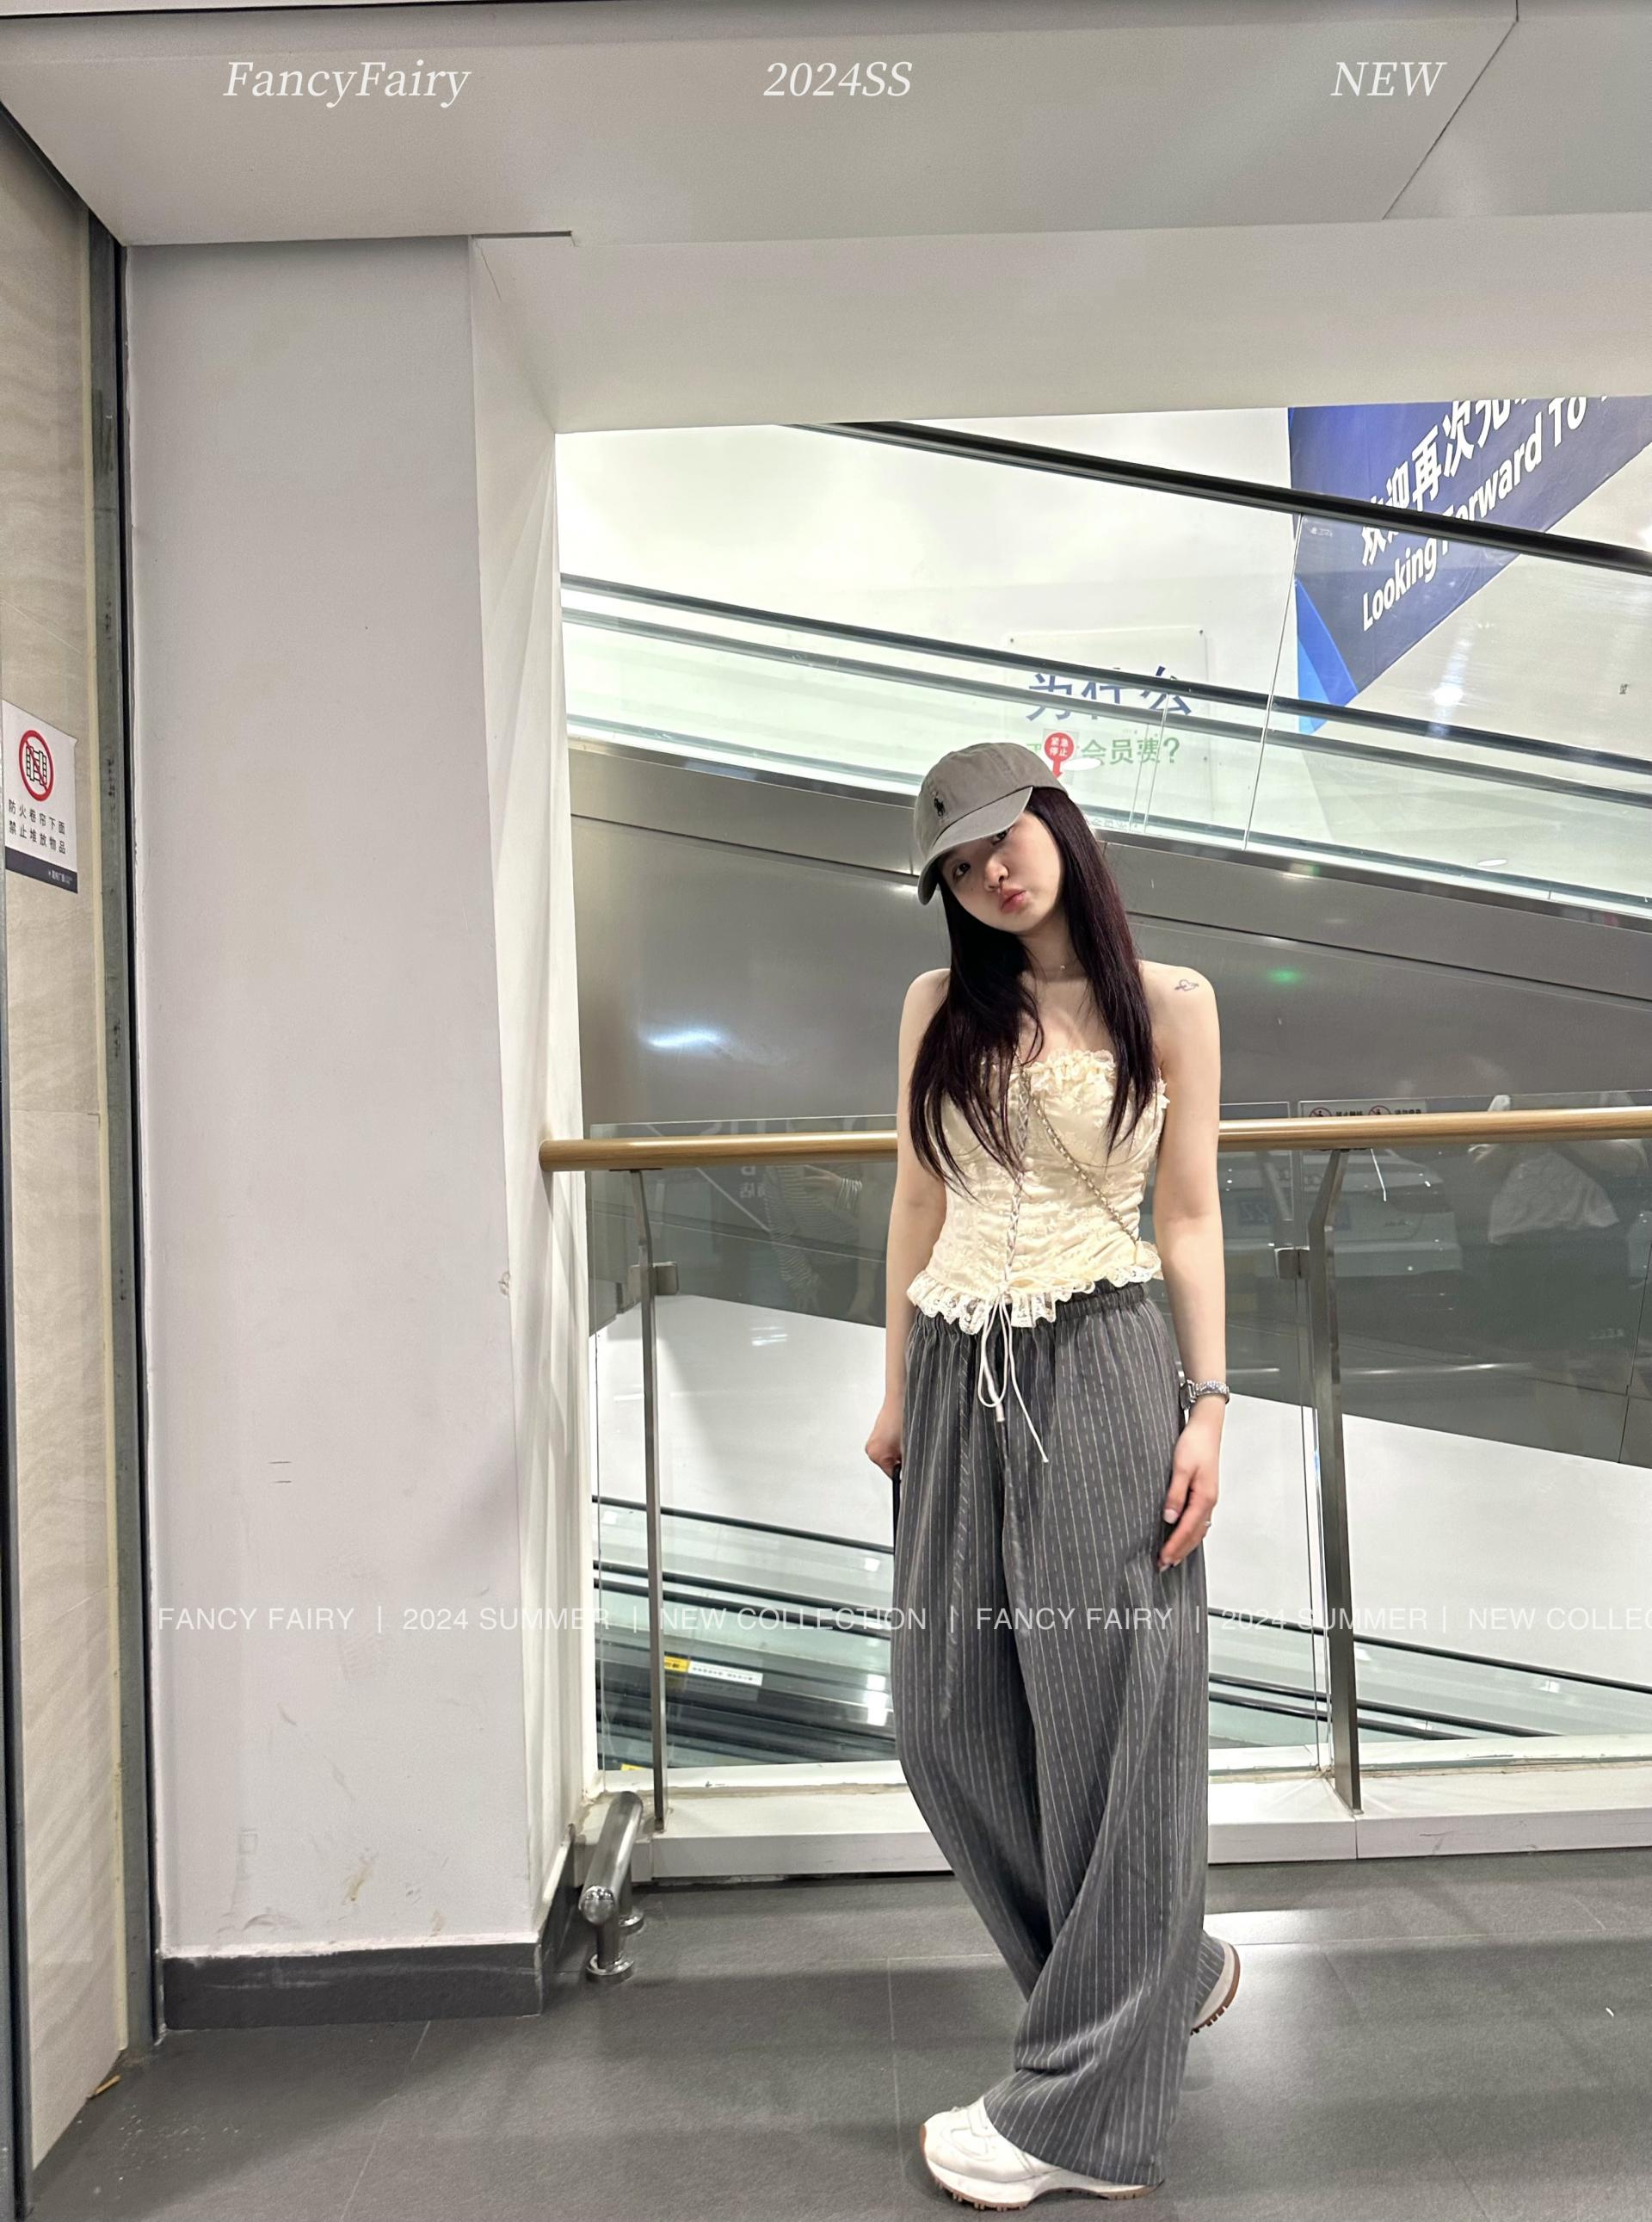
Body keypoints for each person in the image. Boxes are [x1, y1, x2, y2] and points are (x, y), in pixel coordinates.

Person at [865, 739, 1236, 2207]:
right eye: (960, 866)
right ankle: (1158, 1971)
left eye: (1003, 839)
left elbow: (1189, 1213)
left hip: (1101, 1362)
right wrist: (894, 1385)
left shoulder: (1172, 1003)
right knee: (942, 1720)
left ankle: (1083, 2115)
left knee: (1109, 1727)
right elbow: (915, 1197)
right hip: (958, 1366)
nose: (991, 874)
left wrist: (1208, 1406)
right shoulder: (936, 1003)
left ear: (1057, 823)